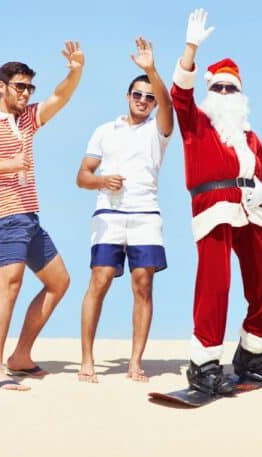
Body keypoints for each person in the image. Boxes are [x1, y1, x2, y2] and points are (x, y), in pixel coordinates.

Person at [0, 41, 85, 391]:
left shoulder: (26, 119)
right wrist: (8, 164)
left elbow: (60, 98)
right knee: (8, 288)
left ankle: (20, 357)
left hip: (29, 217)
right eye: (20, 86)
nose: (26, 93)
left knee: (59, 282)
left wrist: (75, 70)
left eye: (30, 87)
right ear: (2, 86)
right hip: (4, 215)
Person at [171, 8, 262, 395]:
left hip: (250, 210)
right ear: (209, 91)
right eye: (218, 88)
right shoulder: (197, 123)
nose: (224, 94)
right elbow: (179, 94)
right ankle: (203, 363)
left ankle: (252, 354)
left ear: (241, 94)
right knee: (215, 286)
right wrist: (190, 48)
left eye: (230, 88)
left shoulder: (250, 137)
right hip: (213, 207)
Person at [75, 37, 173, 384]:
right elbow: (82, 176)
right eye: (137, 95)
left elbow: (169, 107)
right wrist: (102, 181)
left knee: (142, 283)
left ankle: (136, 362)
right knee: (99, 280)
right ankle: (87, 359)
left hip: (146, 214)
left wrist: (150, 69)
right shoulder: (105, 130)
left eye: (149, 97)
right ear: (127, 96)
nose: (144, 101)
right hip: (109, 214)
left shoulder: (157, 131)